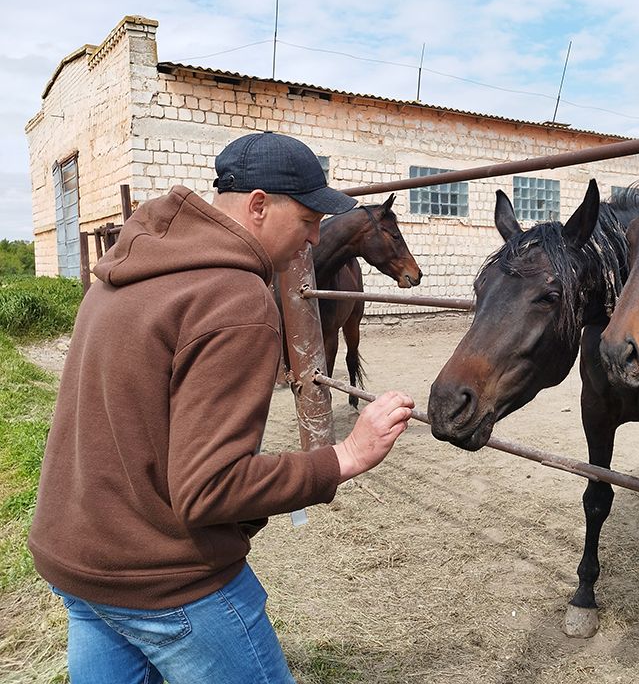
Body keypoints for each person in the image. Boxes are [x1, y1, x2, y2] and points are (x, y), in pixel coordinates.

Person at [29, 131, 415, 683]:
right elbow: (210, 488)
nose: (313, 239)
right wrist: (345, 457)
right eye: (307, 221)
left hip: (78, 560)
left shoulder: (131, 265)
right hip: (164, 583)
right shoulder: (234, 298)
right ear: (258, 206)